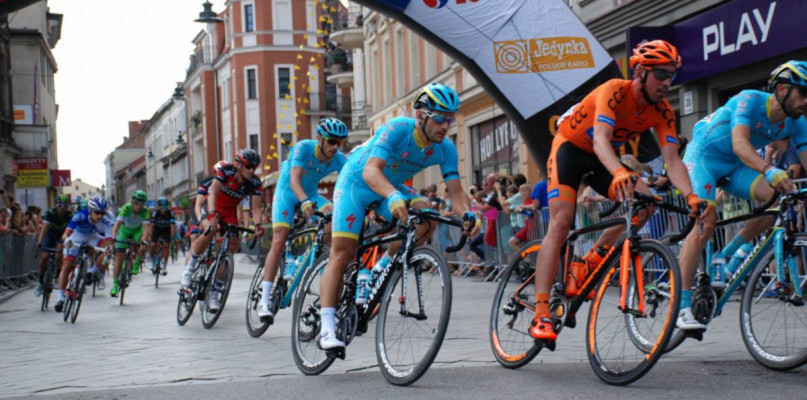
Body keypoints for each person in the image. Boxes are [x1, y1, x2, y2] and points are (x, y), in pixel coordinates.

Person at [529, 40, 705, 341]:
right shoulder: (615, 90)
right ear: (639, 71)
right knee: (560, 223)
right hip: (571, 148)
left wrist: (691, 195)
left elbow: (672, 159)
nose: (666, 82)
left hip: (601, 158)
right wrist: (621, 171)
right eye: (660, 74)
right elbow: (600, 138)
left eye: (671, 76)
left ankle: (591, 259)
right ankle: (541, 311)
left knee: (649, 201)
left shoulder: (662, 111)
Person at [317, 83, 475, 350]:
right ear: (421, 116)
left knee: (426, 215)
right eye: (440, 118)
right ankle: (327, 326)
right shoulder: (398, 128)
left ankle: (379, 270)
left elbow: (456, 191)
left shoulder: (445, 148)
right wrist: (391, 196)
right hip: (357, 183)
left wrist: (469, 213)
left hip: (390, 187)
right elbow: (370, 171)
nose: (446, 125)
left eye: (450, 119)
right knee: (342, 253)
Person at [677, 60, 807, 330]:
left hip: (735, 168)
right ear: (781, 90)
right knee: (705, 225)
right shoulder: (749, 99)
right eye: (803, 94)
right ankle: (681, 306)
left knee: (775, 201)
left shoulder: (797, 123)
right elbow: (739, 144)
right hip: (704, 158)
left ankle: (728, 256)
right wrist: (769, 168)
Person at [257, 118, 349, 322]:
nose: (336, 147)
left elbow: (352, 179)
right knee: (280, 240)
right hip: (287, 192)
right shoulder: (303, 148)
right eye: (332, 141)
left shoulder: (338, 158)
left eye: (340, 142)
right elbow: (294, 179)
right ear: (319, 139)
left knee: (332, 215)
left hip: (312, 194)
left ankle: (303, 259)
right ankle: (264, 298)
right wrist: (304, 201)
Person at [181, 149, 265, 312]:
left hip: (229, 212)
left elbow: (255, 207)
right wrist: (212, 214)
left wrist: (257, 225)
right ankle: (190, 268)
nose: (252, 171)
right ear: (239, 165)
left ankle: (215, 293)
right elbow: (212, 193)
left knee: (231, 247)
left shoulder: (254, 183)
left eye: (255, 167)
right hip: (213, 206)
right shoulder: (226, 172)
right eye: (248, 166)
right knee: (211, 228)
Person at [54, 196, 114, 312]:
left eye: (102, 213)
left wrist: (108, 250)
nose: (100, 216)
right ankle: (60, 297)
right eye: (97, 213)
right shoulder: (80, 216)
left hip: (93, 237)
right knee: (67, 266)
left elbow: (109, 239)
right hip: (77, 237)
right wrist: (66, 240)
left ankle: (91, 272)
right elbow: (66, 234)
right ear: (90, 211)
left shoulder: (107, 218)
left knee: (109, 250)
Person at [109, 191, 151, 297]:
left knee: (144, 244)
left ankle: (136, 263)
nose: (139, 206)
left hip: (137, 231)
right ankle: (115, 285)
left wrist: (144, 239)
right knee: (119, 255)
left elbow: (146, 229)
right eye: (137, 203)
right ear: (133, 201)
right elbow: (117, 225)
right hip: (124, 231)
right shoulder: (126, 208)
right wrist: (114, 237)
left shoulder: (146, 211)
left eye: (142, 203)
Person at [34, 194, 74, 296]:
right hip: (50, 235)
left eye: (65, 206)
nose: (62, 208)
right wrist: (39, 242)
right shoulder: (50, 213)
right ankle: (40, 282)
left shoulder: (70, 215)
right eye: (60, 205)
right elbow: (44, 228)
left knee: (59, 252)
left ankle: (57, 275)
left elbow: (71, 231)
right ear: (56, 205)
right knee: (44, 256)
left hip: (62, 236)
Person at [149, 197, 175, 276]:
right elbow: (152, 225)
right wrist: (151, 236)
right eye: (162, 208)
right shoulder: (155, 213)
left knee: (166, 246)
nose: (163, 210)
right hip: (157, 229)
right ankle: (153, 262)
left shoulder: (171, 213)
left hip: (166, 229)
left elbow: (172, 226)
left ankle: (164, 266)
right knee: (152, 245)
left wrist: (172, 237)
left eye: (165, 208)